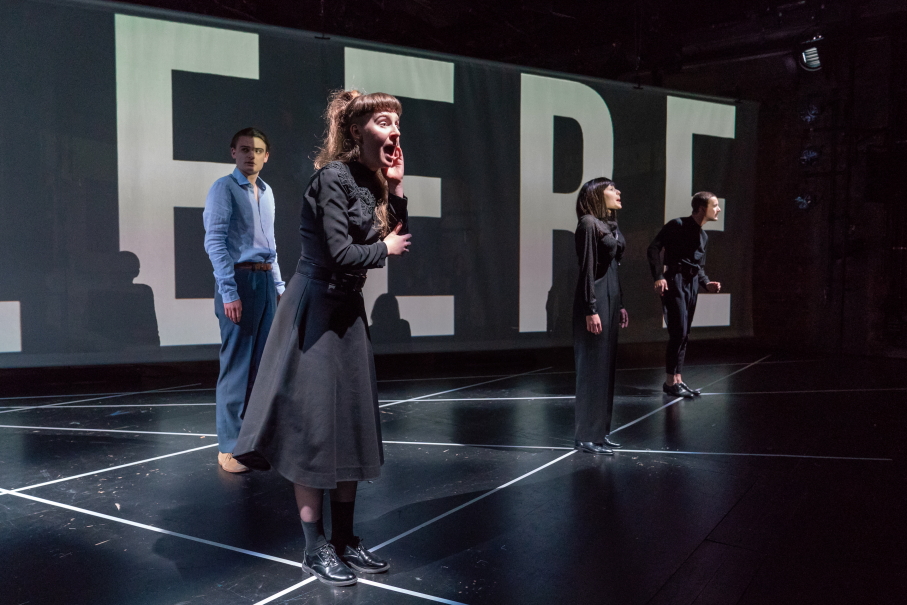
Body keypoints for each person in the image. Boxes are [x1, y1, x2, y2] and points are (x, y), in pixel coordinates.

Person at [233, 91, 411, 586]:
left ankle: (346, 539)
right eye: (383, 121)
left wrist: (396, 189)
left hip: (347, 313)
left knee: (350, 425)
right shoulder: (331, 178)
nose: (395, 130)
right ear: (355, 130)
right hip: (314, 311)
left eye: (397, 122)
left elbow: (396, 239)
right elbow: (340, 252)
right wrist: (384, 248)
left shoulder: (371, 181)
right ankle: (315, 548)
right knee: (314, 433)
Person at [203, 127, 285, 473]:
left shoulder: (267, 192)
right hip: (239, 280)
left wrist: (279, 287)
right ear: (233, 152)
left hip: (264, 280)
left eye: (258, 150)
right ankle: (229, 448)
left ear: (267, 156)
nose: (252, 155)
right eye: (245, 149)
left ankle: (251, 441)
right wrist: (229, 291)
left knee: (262, 367)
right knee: (237, 365)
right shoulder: (223, 188)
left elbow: (270, 244)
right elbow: (215, 241)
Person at [573, 178, 629, 456]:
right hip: (594, 299)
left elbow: (613, 268)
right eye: (611, 189)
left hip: (611, 297)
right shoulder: (588, 224)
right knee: (592, 370)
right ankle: (586, 435)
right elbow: (586, 270)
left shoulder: (609, 225)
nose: (617, 192)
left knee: (605, 369)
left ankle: (600, 433)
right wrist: (590, 309)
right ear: (596, 194)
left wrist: (621, 304)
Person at [647, 192, 722, 398]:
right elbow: (653, 249)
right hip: (675, 281)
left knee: (684, 333)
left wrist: (707, 283)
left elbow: (699, 267)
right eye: (715, 205)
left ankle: (678, 379)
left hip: (691, 284)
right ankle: (670, 381)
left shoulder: (703, 236)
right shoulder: (677, 225)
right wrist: (658, 276)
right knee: (678, 330)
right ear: (701, 208)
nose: (718, 209)